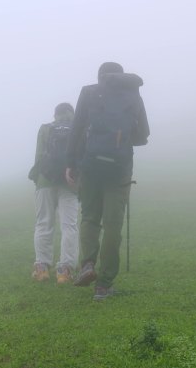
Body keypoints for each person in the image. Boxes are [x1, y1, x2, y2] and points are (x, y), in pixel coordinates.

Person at [66, 62, 149, 300]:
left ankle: (88, 264)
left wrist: (71, 162)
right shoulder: (133, 93)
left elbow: (77, 128)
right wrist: (121, 141)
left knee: (90, 217)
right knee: (113, 225)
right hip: (120, 167)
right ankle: (103, 285)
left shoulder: (89, 92)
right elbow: (143, 134)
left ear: (100, 76)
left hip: (90, 164)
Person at [28, 103, 80, 283]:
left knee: (43, 224)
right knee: (69, 226)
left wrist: (38, 181)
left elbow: (39, 157)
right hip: (70, 183)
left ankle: (41, 268)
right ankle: (65, 270)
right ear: (72, 114)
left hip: (45, 182)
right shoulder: (77, 128)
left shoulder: (45, 129)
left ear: (55, 115)